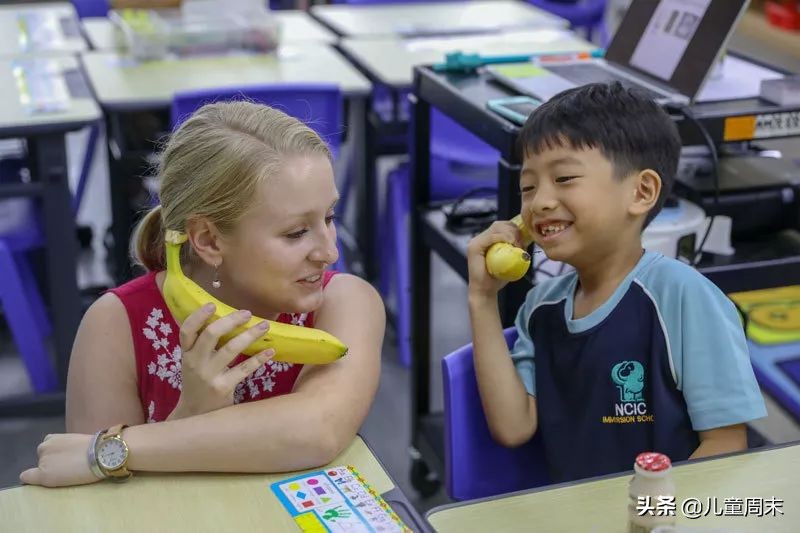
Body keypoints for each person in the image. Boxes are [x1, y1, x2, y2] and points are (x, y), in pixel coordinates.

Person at [21, 101, 385, 487]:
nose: (330, 252)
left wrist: (114, 449)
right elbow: (104, 508)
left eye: (328, 218)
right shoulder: (115, 324)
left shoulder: (346, 302)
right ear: (209, 240)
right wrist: (192, 412)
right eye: (296, 233)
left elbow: (318, 429)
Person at [466, 82, 766, 483]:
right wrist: (482, 299)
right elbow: (513, 426)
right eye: (528, 186)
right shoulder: (540, 308)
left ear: (641, 192)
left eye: (565, 177)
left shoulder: (682, 296)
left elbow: (725, 444)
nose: (539, 202)